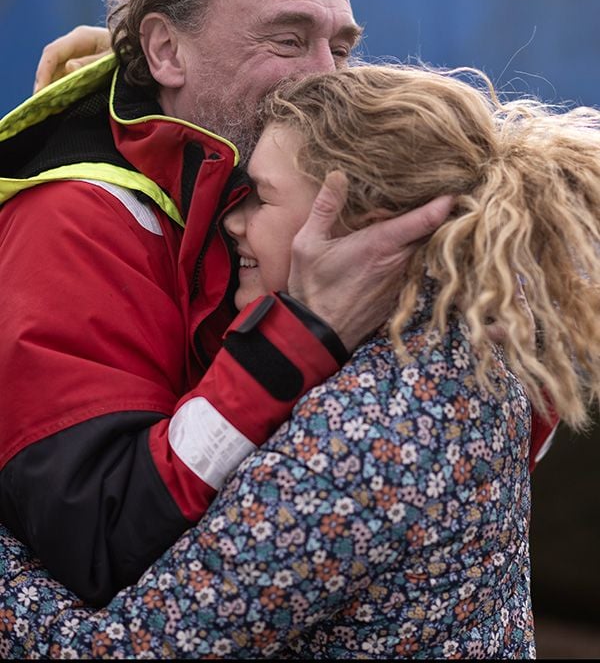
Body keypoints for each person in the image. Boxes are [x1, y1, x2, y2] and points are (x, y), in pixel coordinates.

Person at [1, 62, 598, 660]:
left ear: (355, 224)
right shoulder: (468, 350)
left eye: (259, 197)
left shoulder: (358, 436)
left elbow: (121, 650)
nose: (231, 221)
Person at [0, 0, 452, 607]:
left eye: (343, 48)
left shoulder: (263, 184)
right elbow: (97, 536)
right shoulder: (78, 220)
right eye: (287, 41)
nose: (328, 79)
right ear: (166, 52)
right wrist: (301, 334)